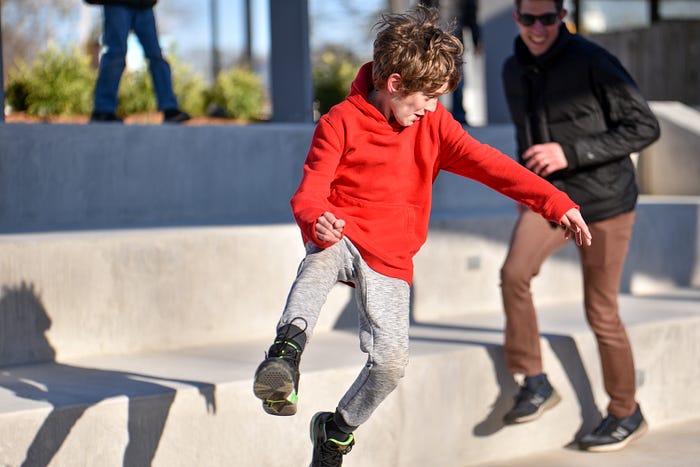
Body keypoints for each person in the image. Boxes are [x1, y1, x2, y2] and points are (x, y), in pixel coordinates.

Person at [253, 5, 591, 466]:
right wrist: (317, 219)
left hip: (390, 255)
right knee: (320, 259)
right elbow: (310, 191)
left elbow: (492, 166)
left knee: (391, 365)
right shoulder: (339, 121)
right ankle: (286, 354)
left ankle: (335, 432)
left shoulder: (435, 126)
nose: (432, 108)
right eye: (428, 97)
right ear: (394, 84)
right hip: (342, 232)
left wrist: (556, 201)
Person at [499, 0, 660, 452]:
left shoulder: (593, 60)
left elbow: (644, 126)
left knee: (601, 310)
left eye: (547, 18)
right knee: (514, 274)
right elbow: (526, 137)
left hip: (606, 201)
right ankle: (534, 379)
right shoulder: (512, 69)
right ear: (516, 18)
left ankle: (626, 412)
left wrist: (570, 152)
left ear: (562, 15)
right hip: (553, 200)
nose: (538, 27)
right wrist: (526, 190)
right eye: (529, 18)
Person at [85, 0, 190, 123]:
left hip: (144, 5)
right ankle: (103, 110)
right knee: (115, 54)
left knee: (156, 56)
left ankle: (169, 109)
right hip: (117, 4)